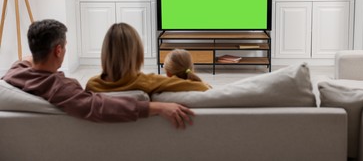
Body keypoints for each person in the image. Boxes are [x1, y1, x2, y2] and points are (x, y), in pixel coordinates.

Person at [1, 19, 194, 129]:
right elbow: (98, 105)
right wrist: (158, 107)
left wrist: (31, 60)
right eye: (65, 47)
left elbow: (26, 60)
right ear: (58, 50)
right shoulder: (60, 88)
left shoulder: (15, 73)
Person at [86, 23, 210, 94]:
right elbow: (202, 88)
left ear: (105, 53)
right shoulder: (148, 82)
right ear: (138, 54)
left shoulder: (92, 85)